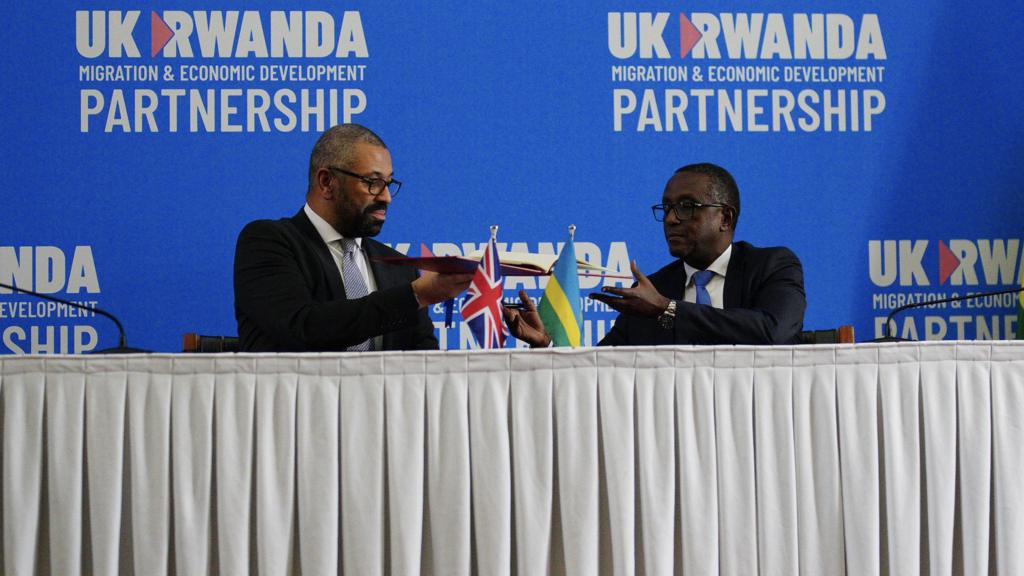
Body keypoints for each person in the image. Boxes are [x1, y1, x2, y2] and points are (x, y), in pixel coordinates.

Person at [505, 163, 805, 346]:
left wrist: (668, 309)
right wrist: (545, 346)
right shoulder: (654, 289)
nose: (672, 219)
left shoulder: (771, 266)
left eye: (687, 207)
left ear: (725, 218)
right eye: (667, 207)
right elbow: (600, 368)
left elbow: (774, 332)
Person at [234, 124, 472, 352]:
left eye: (389, 183)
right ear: (327, 182)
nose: (386, 197)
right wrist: (415, 295)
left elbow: (424, 360)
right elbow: (303, 328)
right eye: (373, 182)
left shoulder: (399, 268)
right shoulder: (267, 242)